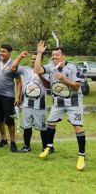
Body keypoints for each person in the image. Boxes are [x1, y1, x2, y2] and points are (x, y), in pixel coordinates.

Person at [34, 41, 86, 171]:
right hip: (58, 102)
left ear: (63, 56)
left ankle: (81, 155)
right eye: (52, 55)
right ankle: (49, 146)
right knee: (50, 123)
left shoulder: (73, 67)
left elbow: (77, 86)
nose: (54, 57)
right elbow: (37, 70)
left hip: (73, 101)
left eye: (56, 55)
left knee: (77, 127)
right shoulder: (51, 67)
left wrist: (64, 79)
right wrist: (40, 53)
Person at [0, 21, 22, 152]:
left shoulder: (14, 64)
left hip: (8, 96)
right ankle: (4, 139)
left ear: (10, 53)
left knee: (9, 120)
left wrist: (18, 96)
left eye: (4, 52)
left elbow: (18, 82)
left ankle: (13, 141)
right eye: (0, 51)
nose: (1, 53)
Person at [10, 51, 49, 152]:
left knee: (42, 127)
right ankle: (27, 146)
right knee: (27, 126)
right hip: (26, 104)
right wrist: (21, 56)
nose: (33, 60)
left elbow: (48, 86)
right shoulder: (26, 70)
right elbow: (13, 67)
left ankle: (45, 147)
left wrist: (40, 75)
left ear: (41, 60)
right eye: (32, 59)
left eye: (35, 59)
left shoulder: (46, 71)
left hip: (39, 105)